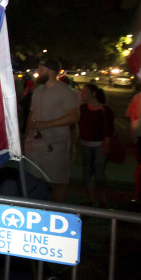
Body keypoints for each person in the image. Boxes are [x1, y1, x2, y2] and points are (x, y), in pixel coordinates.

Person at [24, 59, 79, 203]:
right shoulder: (37, 90)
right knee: (33, 180)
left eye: (41, 69)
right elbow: (32, 115)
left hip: (55, 145)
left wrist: (48, 124)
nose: (38, 72)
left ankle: (58, 211)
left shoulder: (65, 91)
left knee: (58, 182)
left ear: (51, 71)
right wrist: (26, 138)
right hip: (35, 144)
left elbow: (74, 116)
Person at [77, 83, 115, 207]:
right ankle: (91, 197)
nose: (82, 95)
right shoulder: (82, 108)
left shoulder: (105, 110)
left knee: (99, 171)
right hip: (85, 143)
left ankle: (102, 197)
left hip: (99, 144)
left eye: (84, 92)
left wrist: (107, 143)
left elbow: (110, 129)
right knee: (87, 170)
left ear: (93, 94)